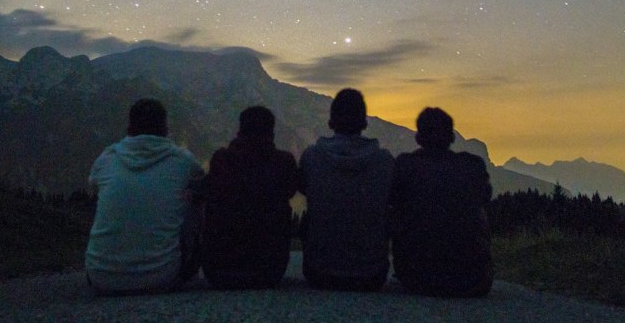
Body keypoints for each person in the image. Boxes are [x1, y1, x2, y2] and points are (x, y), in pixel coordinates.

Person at [85, 98, 204, 294]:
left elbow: (93, 187)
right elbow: (201, 186)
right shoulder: (182, 159)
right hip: (163, 276)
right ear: (165, 128)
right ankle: (186, 266)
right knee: (194, 196)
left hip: (100, 277)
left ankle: (107, 254)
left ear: (130, 127)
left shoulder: (106, 158)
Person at [389, 107, 493, 297]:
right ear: (452, 137)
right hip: (472, 279)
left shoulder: (405, 166)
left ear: (418, 138)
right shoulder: (473, 167)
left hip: (415, 277)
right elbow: (485, 197)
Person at [298, 88, 394, 291]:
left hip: (319, 273)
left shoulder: (311, 158)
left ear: (331, 122)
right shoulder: (385, 162)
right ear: (364, 123)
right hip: (371, 275)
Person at [195, 106, 299, 289]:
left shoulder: (221, 160)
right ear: (272, 133)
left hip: (219, 272)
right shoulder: (284, 162)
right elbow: (291, 191)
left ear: (239, 131)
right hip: (270, 272)